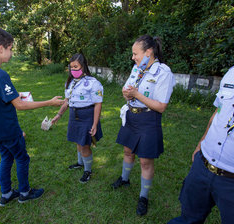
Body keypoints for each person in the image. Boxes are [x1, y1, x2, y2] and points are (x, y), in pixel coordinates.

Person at [0, 27, 64, 207]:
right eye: (10, 48)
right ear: (1, 48)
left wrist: (17, 94)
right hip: (9, 129)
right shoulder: (0, 74)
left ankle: (7, 193)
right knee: (22, 158)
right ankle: (25, 193)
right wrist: (49, 102)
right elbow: (20, 105)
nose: (11, 53)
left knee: (6, 158)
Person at [111, 34, 175, 216]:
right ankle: (124, 179)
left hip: (148, 120)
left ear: (148, 52)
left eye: (135, 54)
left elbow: (161, 106)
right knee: (127, 151)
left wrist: (137, 95)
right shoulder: (136, 68)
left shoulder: (163, 73)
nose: (133, 57)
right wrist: (127, 94)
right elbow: (127, 91)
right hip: (132, 116)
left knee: (145, 161)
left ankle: (143, 197)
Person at [168, 67, 234, 224]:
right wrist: (202, 141)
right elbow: (219, 110)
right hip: (203, 166)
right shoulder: (231, 73)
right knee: (188, 217)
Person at [51, 53, 103, 183]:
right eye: (71, 67)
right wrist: (59, 114)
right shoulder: (70, 82)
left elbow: (98, 104)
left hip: (87, 116)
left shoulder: (93, 83)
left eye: (76, 67)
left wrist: (95, 124)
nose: (73, 70)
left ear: (83, 66)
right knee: (78, 142)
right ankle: (80, 163)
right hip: (74, 116)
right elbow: (67, 101)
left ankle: (88, 170)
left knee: (85, 145)